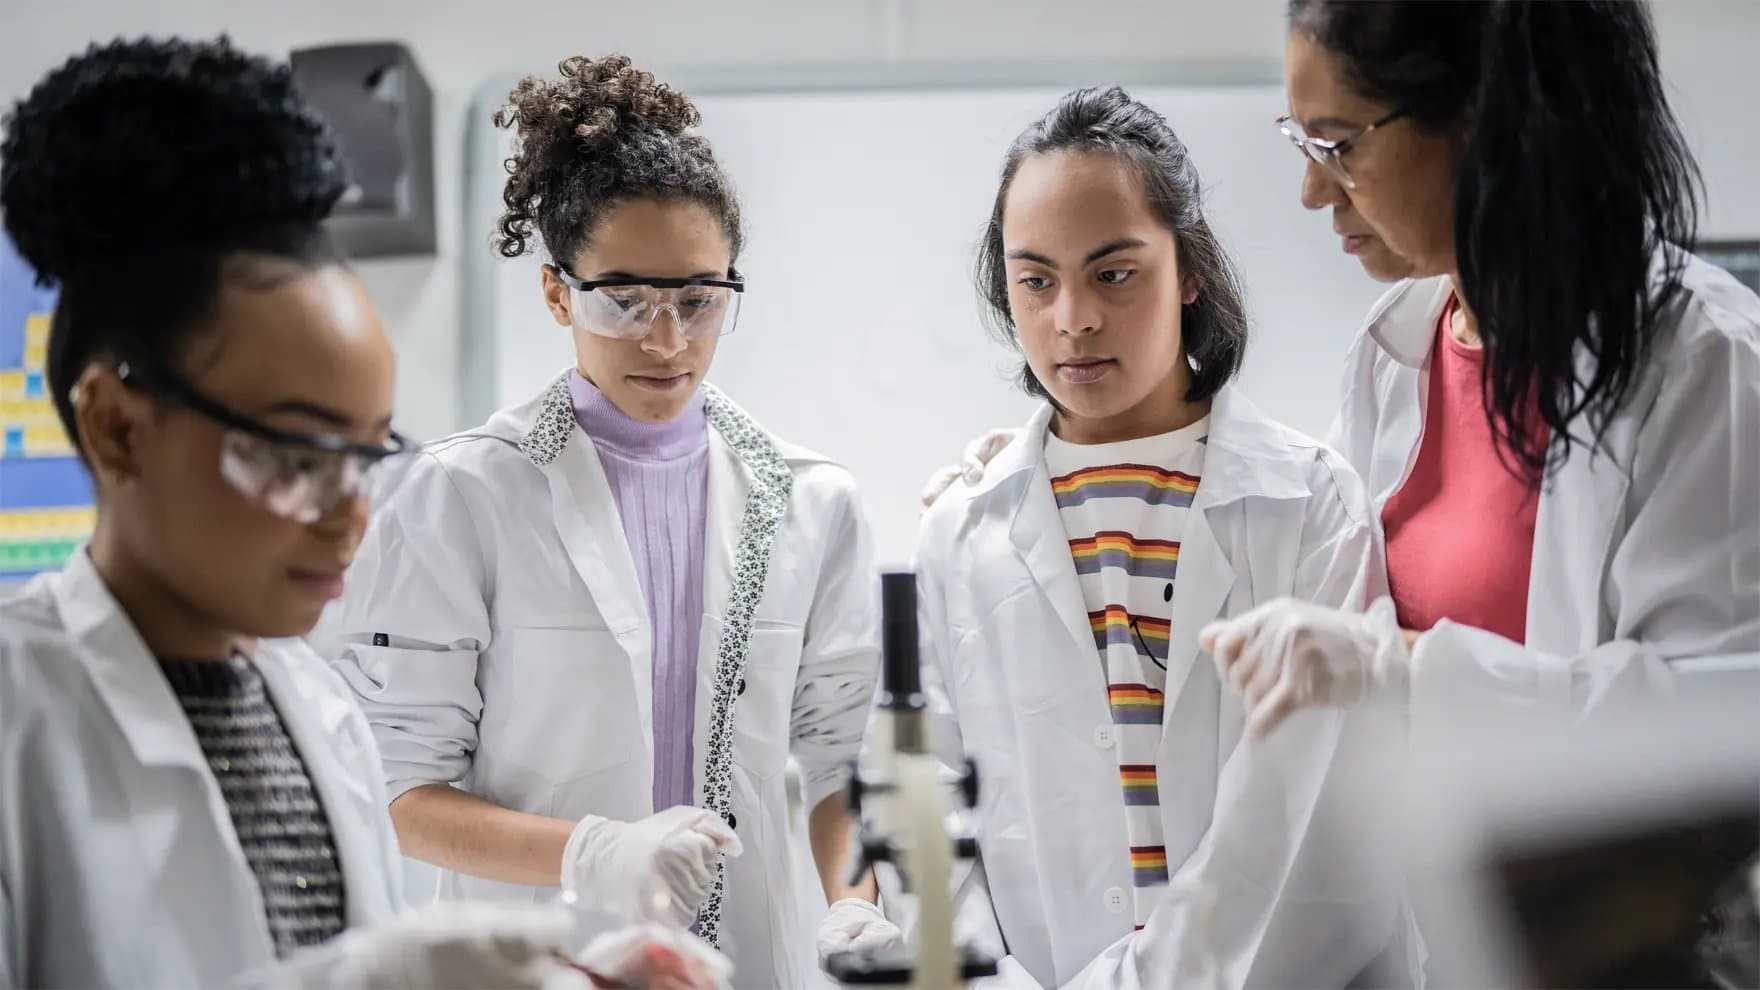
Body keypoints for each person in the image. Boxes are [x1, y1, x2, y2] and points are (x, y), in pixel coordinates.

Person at [0, 36, 722, 990]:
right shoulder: (21, 717)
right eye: (298, 456)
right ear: (118, 426)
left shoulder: (319, 711)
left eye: (366, 453)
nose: (351, 516)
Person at [317, 55, 886, 987]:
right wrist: (590, 854)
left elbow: (839, 764)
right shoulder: (461, 496)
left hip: (749, 961)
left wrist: (858, 900)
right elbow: (400, 792)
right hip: (543, 959)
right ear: (557, 294)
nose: (667, 341)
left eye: (700, 301)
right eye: (624, 300)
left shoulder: (812, 502)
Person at [886, 86, 1410, 989]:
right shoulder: (960, 530)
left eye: (1114, 272)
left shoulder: (1312, 502)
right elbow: (922, 823)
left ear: (1189, 268)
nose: (1073, 319)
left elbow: (1320, 830)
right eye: (1035, 280)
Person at [1202, 0, 1759, 738]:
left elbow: (1709, 722)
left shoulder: (1702, 362)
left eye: (1337, 145)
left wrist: (1403, 672)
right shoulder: (1390, 353)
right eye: (1302, 142)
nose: (1314, 190)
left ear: (1487, 122)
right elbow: (1310, 548)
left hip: (1598, 855)